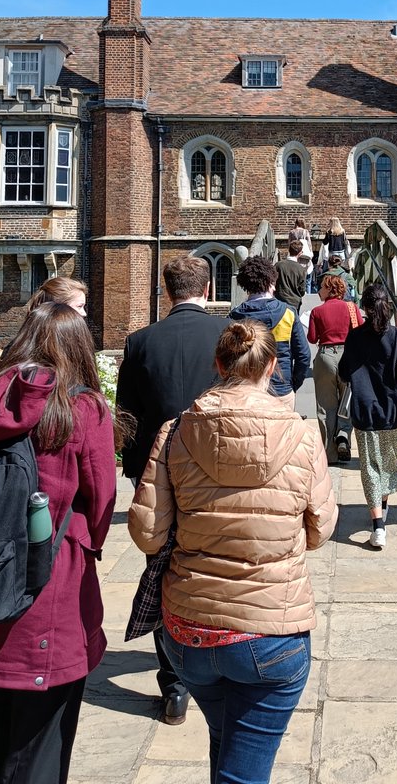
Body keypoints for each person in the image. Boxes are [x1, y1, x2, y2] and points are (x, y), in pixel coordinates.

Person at [128, 321, 337, 784]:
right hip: (269, 632)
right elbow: (320, 529)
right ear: (272, 368)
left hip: (189, 633)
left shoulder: (176, 430)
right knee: (244, 770)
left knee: (226, 742)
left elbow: (147, 534)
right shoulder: (303, 435)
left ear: (218, 365)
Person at [0, 304, 120, 784]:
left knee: (0, 724)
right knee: (42, 742)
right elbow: (101, 500)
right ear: (81, 348)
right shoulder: (81, 410)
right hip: (51, 589)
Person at [116, 254, 228, 724]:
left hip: (157, 480)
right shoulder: (225, 335)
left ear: (168, 292)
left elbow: (126, 415)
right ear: (207, 289)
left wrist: (136, 468)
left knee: (162, 574)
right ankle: (217, 666)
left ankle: (175, 685)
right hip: (214, 479)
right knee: (215, 571)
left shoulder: (139, 342)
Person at [339, 283, 397, 549]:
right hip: (392, 409)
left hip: (364, 408)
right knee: (387, 464)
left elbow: (344, 372)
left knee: (371, 466)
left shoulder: (355, 336)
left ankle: (378, 522)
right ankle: (379, 521)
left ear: (365, 309)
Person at [229, 255, 309, 401]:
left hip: (246, 392)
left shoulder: (235, 317)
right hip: (281, 387)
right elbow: (303, 355)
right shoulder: (288, 312)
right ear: (271, 281)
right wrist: (292, 385)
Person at [307, 274, 363, 463]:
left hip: (326, 356)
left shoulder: (317, 311)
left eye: (321, 287)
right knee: (346, 402)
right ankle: (343, 436)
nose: (318, 290)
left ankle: (329, 453)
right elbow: (360, 333)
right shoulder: (352, 308)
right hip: (348, 356)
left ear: (330, 289)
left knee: (325, 407)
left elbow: (312, 338)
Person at [275, 241, 308, 312]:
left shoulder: (278, 265)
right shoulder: (301, 269)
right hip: (294, 303)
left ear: (289, 250)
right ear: (300, 253)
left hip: (279, 301)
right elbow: (302, 290)